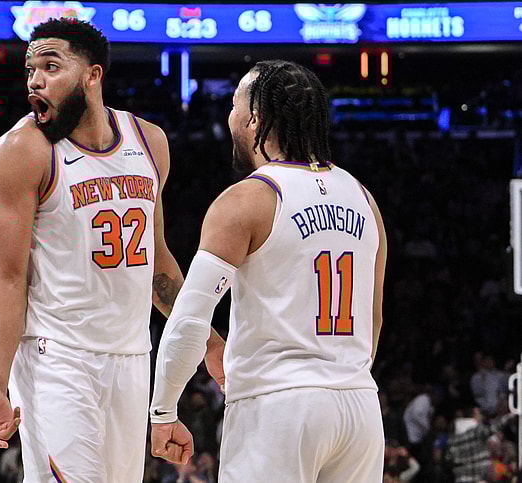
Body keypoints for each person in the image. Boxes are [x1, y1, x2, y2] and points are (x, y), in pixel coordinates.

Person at [0, 17, 225, 482]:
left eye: (51, 66)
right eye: (30, 70)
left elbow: (156, 261)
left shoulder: (149, 141)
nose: (35, 80)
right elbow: (7, 277)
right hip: (55, 357)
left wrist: (209, 339)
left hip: (132, 356)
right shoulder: (21, 151)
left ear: (93, 75)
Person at [149, 60, 388, 482]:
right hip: (359, 408)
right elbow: (374, 322)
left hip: (278, 407)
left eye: (234, 106)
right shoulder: (365, 199)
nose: (230, 117)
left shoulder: (248, 200)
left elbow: (189, 321)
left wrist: (164, 411)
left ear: (253, 117)